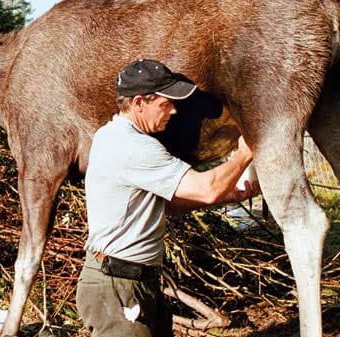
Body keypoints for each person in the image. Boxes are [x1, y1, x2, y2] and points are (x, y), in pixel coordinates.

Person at [76, 59, 260, 337]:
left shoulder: (110, 135)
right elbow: (207, 187)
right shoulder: (134, 147)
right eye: (165, 103)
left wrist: (226, 196)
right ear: (139, 103)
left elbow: (163, 204)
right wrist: (245, 153)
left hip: (135, 281)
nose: (174, 110)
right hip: (117, 287)